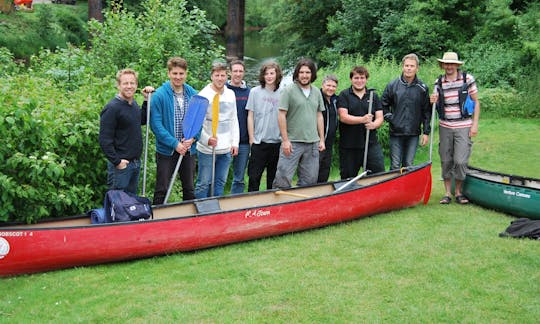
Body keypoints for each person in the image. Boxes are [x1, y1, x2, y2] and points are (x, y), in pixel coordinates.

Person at [430, 52, 480, 205]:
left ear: (457, 65)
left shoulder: (467, 79)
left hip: (463, 125)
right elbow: (434, 103)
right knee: (446, 160)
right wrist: (432, 100)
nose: (449, 66)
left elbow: (476, 102)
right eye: (446, 64)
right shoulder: (438, 82)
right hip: (445, 126)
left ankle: (458, 191)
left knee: (459, 160)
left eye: (452, 64)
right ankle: (447, 193)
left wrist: (475, 124)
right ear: (443, 65)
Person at [149, 57, 198, 204]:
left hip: (188, 150)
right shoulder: (159, 95)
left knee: (189, 188)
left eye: (181, 73)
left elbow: (199, 121)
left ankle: (188, 221)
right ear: (169, 73)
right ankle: (156, 219)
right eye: (175, 73)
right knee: (162, 188)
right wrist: (175, 144)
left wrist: (193, 139)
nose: (178, 77)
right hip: (167, 151)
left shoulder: (193, 95)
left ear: (186, 74)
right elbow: (156, 125)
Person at [272, 58, 325, 189]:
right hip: (292, 142)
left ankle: (302, 206)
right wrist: (285, 140)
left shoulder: (317, 92)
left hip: (313, 143)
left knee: (310, 180)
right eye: (301, 72)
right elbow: (281, 115)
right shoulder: (289, 90)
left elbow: (319, 116)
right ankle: (280, 205)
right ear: (297, 73)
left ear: (312, 74)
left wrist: (322, 140)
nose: (304, 75)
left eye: (308, 72)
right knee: (282, 179)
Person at [99, 68, 148, 194]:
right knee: (118, 205)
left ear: (136, 85)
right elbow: (105, 140)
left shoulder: (133, 104)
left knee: (130, 205)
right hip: (121, 167)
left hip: (135, 163)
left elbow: (141, 120)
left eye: (132, 83)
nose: (129, 86)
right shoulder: (112, 108)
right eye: (125, 83)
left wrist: (146, 100)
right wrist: (118, 162)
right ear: (118, 85)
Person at [195, 60, 239, 198]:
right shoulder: (203, 96)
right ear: (211, 76)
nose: (220, 78)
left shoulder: (231, 94)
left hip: (225, 148)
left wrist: (235, 142)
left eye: (223, 75)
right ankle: (201, 212)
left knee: (220, 182)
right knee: (204, 182)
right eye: (217, 75)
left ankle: (216, 210)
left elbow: (234, 119)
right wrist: (207, 139)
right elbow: (197, 125)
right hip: (208, 149)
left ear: (227, 76)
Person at [381, 53, 431, 170]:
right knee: (395, 165)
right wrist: (391, 118)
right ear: (402, 67)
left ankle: (405, 188)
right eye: (406, 65)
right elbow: (383, 104)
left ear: (417, 68)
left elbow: (426, 111)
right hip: (396, 132)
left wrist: (426, 132)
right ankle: (393, 188)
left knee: (408, 165)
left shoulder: (422, 88)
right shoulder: (392, 85)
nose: (409, 68)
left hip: (413, 132)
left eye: (412, 66)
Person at [337, 66, 385, 179]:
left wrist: (374, 124)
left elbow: (380, 117)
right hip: (349, 145)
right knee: (348, 177)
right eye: (356, 78)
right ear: (351, 79)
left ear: (366, 79)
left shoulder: (373, 96)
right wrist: (362, 120)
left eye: (362, 78)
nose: (359, 81)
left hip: (370, 143)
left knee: (378, 174)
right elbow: (343, 117)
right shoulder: (344, 95)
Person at [246, 60, 283, 191]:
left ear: (277, 75)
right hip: (259, 141)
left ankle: (270, 206)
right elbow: (250, 116)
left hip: (277, 142)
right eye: (266, 73)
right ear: (262, 75)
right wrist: (251, 138)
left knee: (273, 179)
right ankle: (252, 204)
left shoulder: (283, 93)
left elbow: (286, 117)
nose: (269, 76)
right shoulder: (255, 92)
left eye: (272, 73)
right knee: (254, 176)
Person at [226, 60, 251, 194]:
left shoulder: (249, 92)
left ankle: (236, 204)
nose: (238, 74)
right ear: (230, 72)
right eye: (235, 71)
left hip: (243, 142)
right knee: (220, 177)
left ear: (244, 73)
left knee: (239, 178)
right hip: (224, 141)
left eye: (240, 71)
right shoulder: (223, 90)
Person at [317, 74, 339, 183]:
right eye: (328, 85)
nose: (331, 88)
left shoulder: (336, 100)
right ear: (322, 85)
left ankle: (322, 194)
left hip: (329, 142)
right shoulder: (316, 97)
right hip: (317, 142)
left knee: (325, 170)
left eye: (334, 86)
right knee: (313, 171)